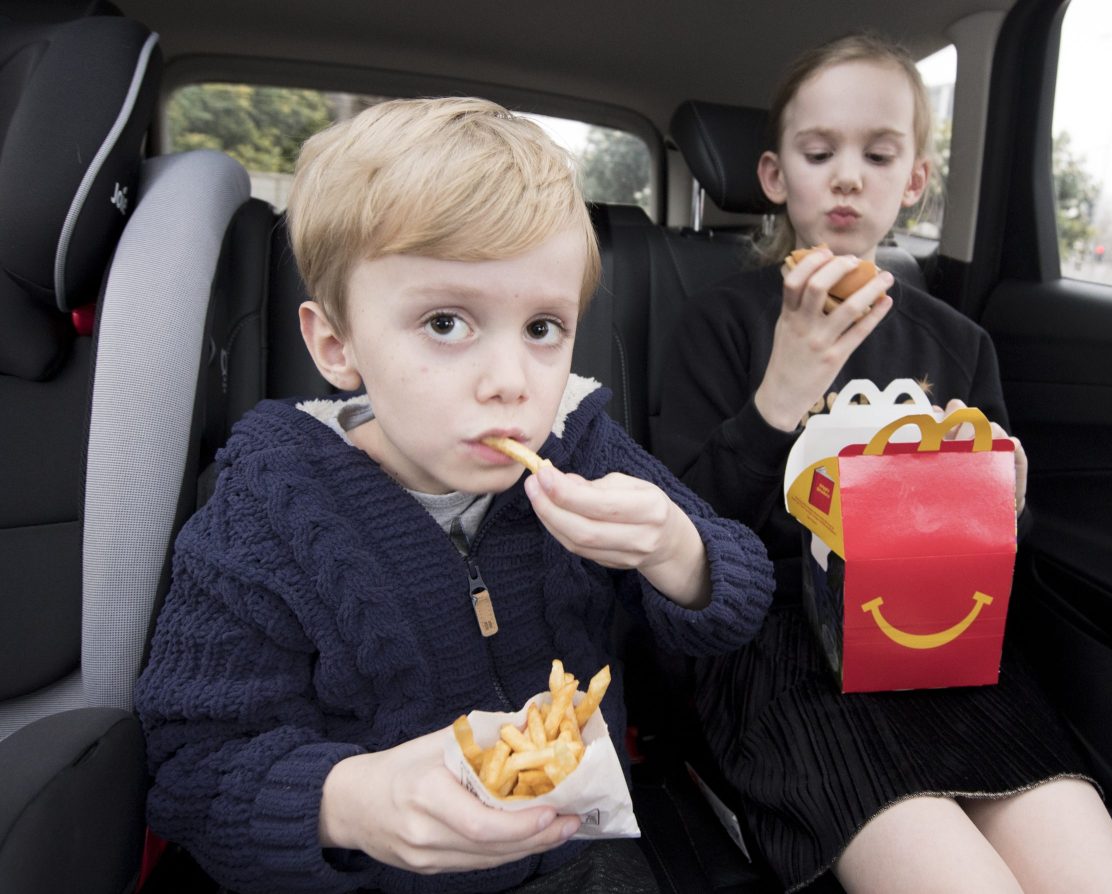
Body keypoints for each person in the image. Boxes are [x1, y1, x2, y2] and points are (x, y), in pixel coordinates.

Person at [133, 97, 774, 894]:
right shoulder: (264, 511)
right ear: (336, 344)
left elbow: (739, 602)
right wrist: (351, 804)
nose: (510, 382)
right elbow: (190, 769)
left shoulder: (582, 445)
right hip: (375, 877)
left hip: (577, 851)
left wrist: (678, 551)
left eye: (543, 328)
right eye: (445, 323)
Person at [653, 34, 1112, 894]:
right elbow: (681, 535)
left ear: (915, 180)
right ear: (775, 175)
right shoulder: (720, 324)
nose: (848, 177)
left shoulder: (957, 343)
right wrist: (779, 398)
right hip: (777, 653)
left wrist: (1004, 497)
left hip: (936, 647)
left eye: (878, 155)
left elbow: (996, 542)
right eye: (819, 153)